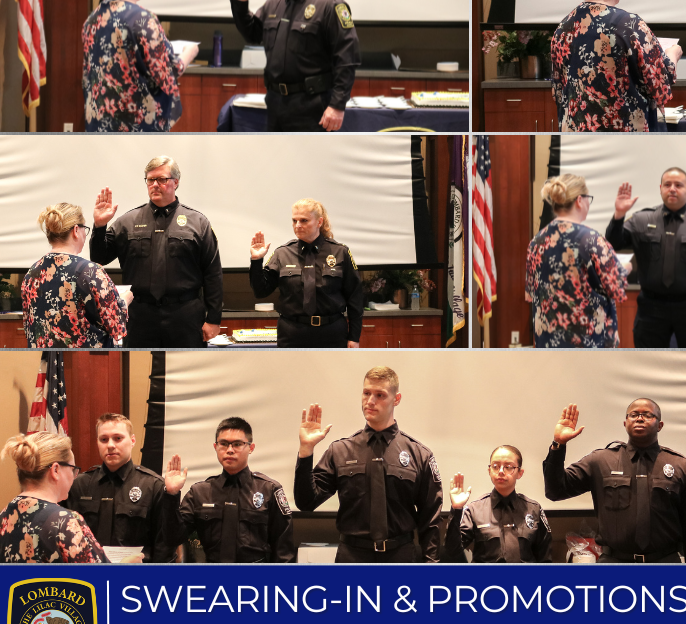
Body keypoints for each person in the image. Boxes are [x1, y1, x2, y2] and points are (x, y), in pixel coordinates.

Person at [293, 366, 443, 563]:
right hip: (352, 558)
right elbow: (306, 502)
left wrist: (432, 567)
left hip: (401, 557)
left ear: (396, 399)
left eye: (380, 395)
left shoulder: (419, 454)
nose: (370, 401)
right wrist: (306, 450)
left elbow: (430, 518)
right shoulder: (340, 450)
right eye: (366, 393)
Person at [543, 399, 686, 563]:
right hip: (614, 564)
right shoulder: (601, 461)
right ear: (625, 423)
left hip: (664, 564)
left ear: (660, 425)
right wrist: (559, 445)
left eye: (648, 415)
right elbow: (555, 490)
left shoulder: (683, 467)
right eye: (634, 414)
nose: (640, 418)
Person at [90, 156, 224, 348]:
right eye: (150, 180)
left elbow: (213, 274)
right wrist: (100, 226)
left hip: (185, 315)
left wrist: (213, 319)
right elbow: (99, 258)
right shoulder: (127, 222)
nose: (155, 185)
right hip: (140, 316)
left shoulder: (198, 223)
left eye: (162, 179)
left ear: (176, 182)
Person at [230, 0, 361, 132]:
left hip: (312, 106)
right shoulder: (275, 2)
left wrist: (337, 105)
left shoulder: (330, 5)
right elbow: (253, 35)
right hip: (275, 104)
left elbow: (347, 59)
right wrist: (240, 5)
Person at [551, 0, 681, 132]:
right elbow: (660, 84)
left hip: (576, 140)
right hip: (623, 139)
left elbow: (558, 91)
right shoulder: (630, 25)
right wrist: (672, 55)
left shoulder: (563, 28)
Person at [604, 169, 686, 348]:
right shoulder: (641, 219)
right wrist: (619, 215)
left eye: (678, 185)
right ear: (660, 188)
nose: (672, 189)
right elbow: (612, 244)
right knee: (649, 363)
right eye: (667, 185)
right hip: (651, 307)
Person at [83, 0, 199, 132]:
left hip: (99, 125)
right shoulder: (143, 19)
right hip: (136, 128)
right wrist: (189, 54)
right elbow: (169, 73)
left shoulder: (92, 19)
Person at [161, 417, 295, 563]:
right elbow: (173, 537)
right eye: (223, 444)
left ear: (251, 448)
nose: (230, 450)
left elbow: (283, 549)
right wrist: (171, 495)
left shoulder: (269, 489)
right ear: (215, 447)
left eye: (237, 444)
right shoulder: (199, 492)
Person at [525, 175, 631, 348]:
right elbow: (617, 287)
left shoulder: (536, 242)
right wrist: (626, 267)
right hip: (587, 342)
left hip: (548, 343)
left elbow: (531, 293)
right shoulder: (592, 240)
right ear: (580, 201)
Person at [249, 198, 364, 348]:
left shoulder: (340, 252)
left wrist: (354, 337)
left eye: (304, 220)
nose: (298, 225)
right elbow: (260, 291)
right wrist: (256, 261)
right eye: (294, 221)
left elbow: (355, 298)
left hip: (331, 333)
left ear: (319, 222)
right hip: (292, 334)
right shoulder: (282, 253)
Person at [66, 414, 174, 563]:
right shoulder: (79, 485)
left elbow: (164, 544)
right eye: (104, 439)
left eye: (118, 438)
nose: (110, 445)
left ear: (132, 441)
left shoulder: (152, 485)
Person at [21, 203, 130, 348]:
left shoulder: (32, 272)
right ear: (76, 230)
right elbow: (116, 326)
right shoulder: (90, 271)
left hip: (44, 362)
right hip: (84, 363)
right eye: (85, 229)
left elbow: (30, 326)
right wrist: (124, 300)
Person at [0, 432, 109, 563]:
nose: (74, 476)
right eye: (73, 469)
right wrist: (126, 565)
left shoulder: (5, 515)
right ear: (56, 470)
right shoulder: (65, 521)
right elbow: (99, 578)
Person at [445, 446, 552, 563]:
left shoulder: (533, 509)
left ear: (520, 473)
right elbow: (452, 551)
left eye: (508, 467)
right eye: (495, 466)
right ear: (489, 471)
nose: (501, 471)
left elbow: (545, 558)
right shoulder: (474, 510)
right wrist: (456, 509)